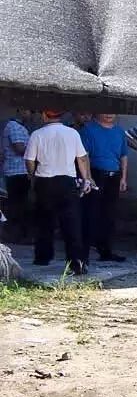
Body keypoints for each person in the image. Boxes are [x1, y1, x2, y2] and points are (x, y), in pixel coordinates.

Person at [24, 110, 92, 275]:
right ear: (60, 116)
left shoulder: (37, 134)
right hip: (67, 180)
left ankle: (43, 257)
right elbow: (82, 158)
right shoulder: (72, 133)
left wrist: (32, 178)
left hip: (45, 180)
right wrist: (86, 180)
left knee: (44, 220)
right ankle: (76, 262)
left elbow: (30, 160)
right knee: (72, 223)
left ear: (44, 116)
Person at [80, 113, 129, 262]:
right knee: (90, 214)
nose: (109, 115)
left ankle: (106, 251)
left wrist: (124, 178)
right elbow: (84, 155)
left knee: (109, 215)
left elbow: (124, 155)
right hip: (96, 173)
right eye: (106, 111)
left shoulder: (119, 131)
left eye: (112, 112)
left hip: (114, 175)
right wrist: (88, 177)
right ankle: (83, 254)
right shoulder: (88, 130)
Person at [2, 109, 34, 242]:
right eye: (29, 111)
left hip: (19, 171)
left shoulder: (19, 127)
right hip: (16, 171)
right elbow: (19, 148)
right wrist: (36, 149)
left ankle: (18, 235)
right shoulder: (14, 127)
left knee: (20, 204)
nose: (31, 115)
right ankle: (17, 236)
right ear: (21, 111)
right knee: (18, 205)